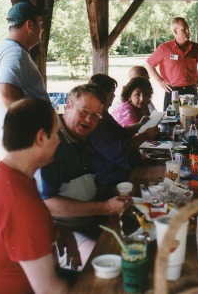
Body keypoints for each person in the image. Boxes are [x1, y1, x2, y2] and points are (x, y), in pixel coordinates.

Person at [0, 98, 78, 294]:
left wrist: (61, 231)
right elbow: (51, 291)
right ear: (41, 137)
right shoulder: (18, 200)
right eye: (56, 133)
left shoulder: (8, 174)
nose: (59, 140)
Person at [35, 84, 130, 267]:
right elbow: (49, 205)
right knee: (109, 262)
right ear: (68, 105)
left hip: (87, 223)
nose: (89, 119)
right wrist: (104, 207)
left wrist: (111, 192)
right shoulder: (50, 141)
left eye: (95, 116)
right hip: (58, 231)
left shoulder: (83, 137)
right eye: (84, 111)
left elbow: (84, 184)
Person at [0, 1, 49, 160]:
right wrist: (29, 130)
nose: (42, 28)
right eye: (40, 23)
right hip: (21, 140)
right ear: (30, 24)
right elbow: (5, 91)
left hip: (11, 135)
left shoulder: (6, 48)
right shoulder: (14, 53)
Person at [87, 74, 158, 200]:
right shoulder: (96, 121)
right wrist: (145, 135)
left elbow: (119, 133)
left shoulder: (104, 114)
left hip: (122, 170)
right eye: (112, 93)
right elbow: (121, 149)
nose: (114, 96)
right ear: (102, 94)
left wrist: (138, 126)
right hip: (112, 180)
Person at [145, 17, 198, 111]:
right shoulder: (164, 48)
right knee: (170, 122)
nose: (188, 31)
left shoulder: (197, 48)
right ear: (175, 31)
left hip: (191, 90)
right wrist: (159, 80)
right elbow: (149, 63)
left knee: (193, 120)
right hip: (172, 91)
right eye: (184, 29)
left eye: (188, 28)